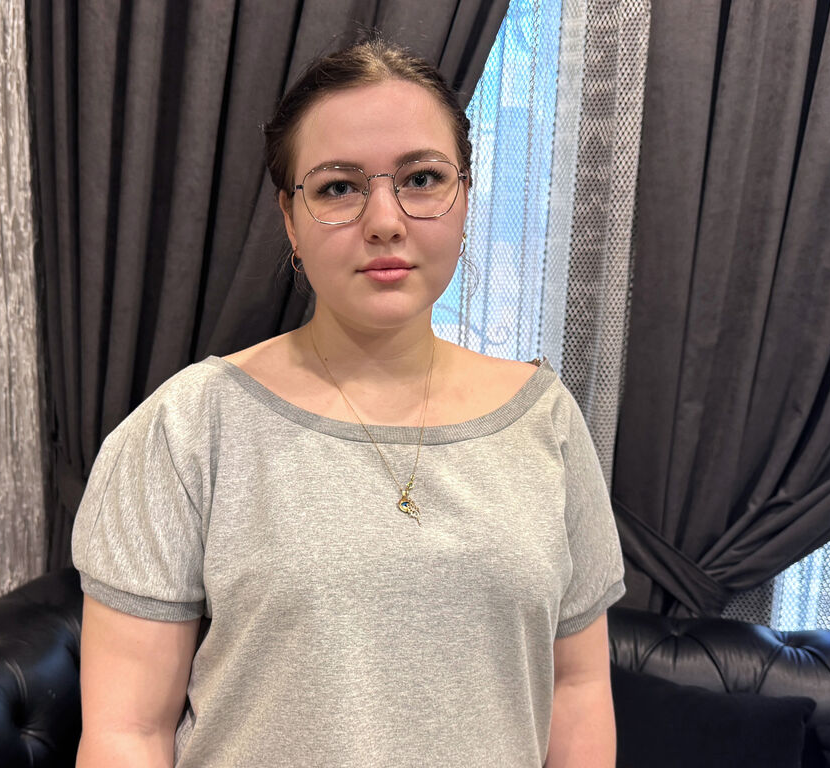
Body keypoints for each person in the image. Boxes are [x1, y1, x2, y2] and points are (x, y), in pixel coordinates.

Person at [72, 38, 625, 768]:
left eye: (422, 178)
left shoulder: (546, 419)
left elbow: (576, 689)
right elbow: (127, 733)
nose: (385, 220)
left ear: (464, 196)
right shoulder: (189, 427)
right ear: (290, 219)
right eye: (338, 187)